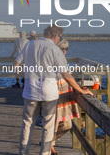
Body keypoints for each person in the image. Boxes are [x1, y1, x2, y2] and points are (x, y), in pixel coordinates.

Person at [15, 25, 93, 155]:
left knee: (27, 124)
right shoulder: (55, 50)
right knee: (48, 126)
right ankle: (44, 153)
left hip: (30, 91)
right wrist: (80, 90)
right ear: (56, 36)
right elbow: (66, 75)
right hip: (49, 93)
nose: (59, 39)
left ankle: (23, 152)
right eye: (59, 37)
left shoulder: (29, 45)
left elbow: (16, 66)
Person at [51, 39, 81, 155]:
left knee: (67, 125)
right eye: (62, 48)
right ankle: (51, 146)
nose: (64, 51)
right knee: (54, 123)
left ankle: (49, 141)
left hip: (66, 93)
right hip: (56, 93)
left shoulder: (62, 60)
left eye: (66, 49)